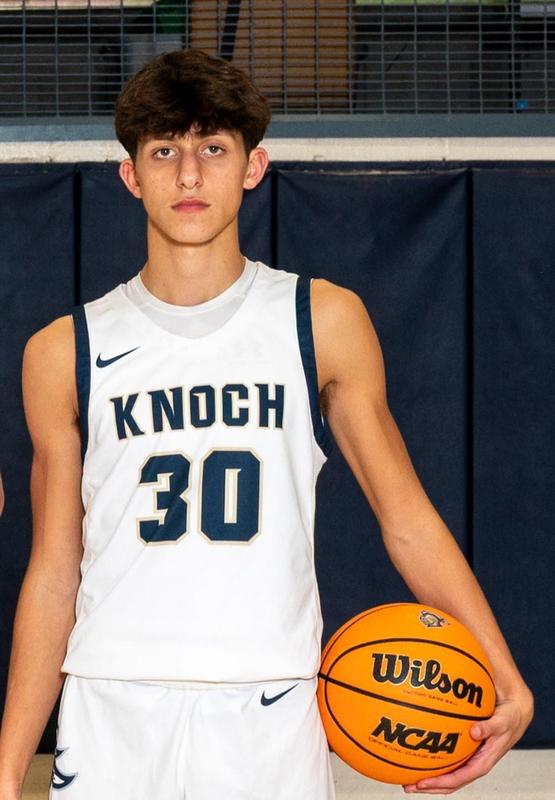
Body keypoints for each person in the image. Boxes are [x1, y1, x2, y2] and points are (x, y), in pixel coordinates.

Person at [0, 48, 533, 800]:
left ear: (253, 166)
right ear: (131, 176)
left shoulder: (321, 320)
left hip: (269, 706)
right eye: (165, 152)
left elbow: (405, 516)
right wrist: (5, 760)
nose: (189, 175)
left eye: (213, 149)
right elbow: (54, 571)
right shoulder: (64, 350)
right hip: (111, 700)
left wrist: (502, 671)